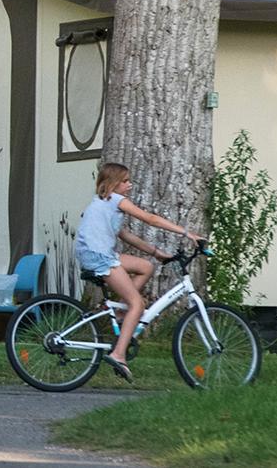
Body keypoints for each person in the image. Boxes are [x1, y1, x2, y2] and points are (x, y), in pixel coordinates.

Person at [75, 162, 201, 382]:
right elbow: (150, 219)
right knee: (138, 304)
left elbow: (126, 236)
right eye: (125, 181)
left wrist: (155, 252)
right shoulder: (116, 200)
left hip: (97, 254)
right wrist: (187, 233)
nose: (129, 185)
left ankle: (123, 311)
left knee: (146, 267)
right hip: (100, 257)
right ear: (113, 183)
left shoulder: (103, 204)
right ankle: (118, 354)